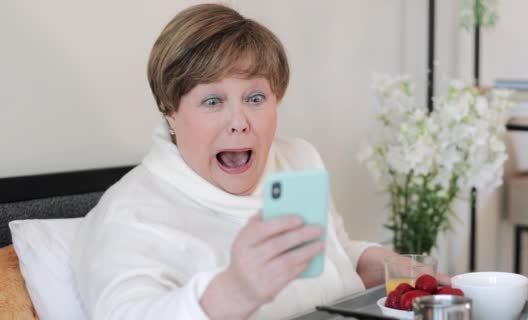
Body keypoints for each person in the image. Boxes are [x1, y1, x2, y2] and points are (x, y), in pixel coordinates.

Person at [72, 3, 447, 319]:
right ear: (169, 110)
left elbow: (335, 253)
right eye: (213, 101)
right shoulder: (130, 213)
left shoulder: (297, 161)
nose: (239, 123)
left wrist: (392, 267)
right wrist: (235, 289)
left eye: (254, 98)